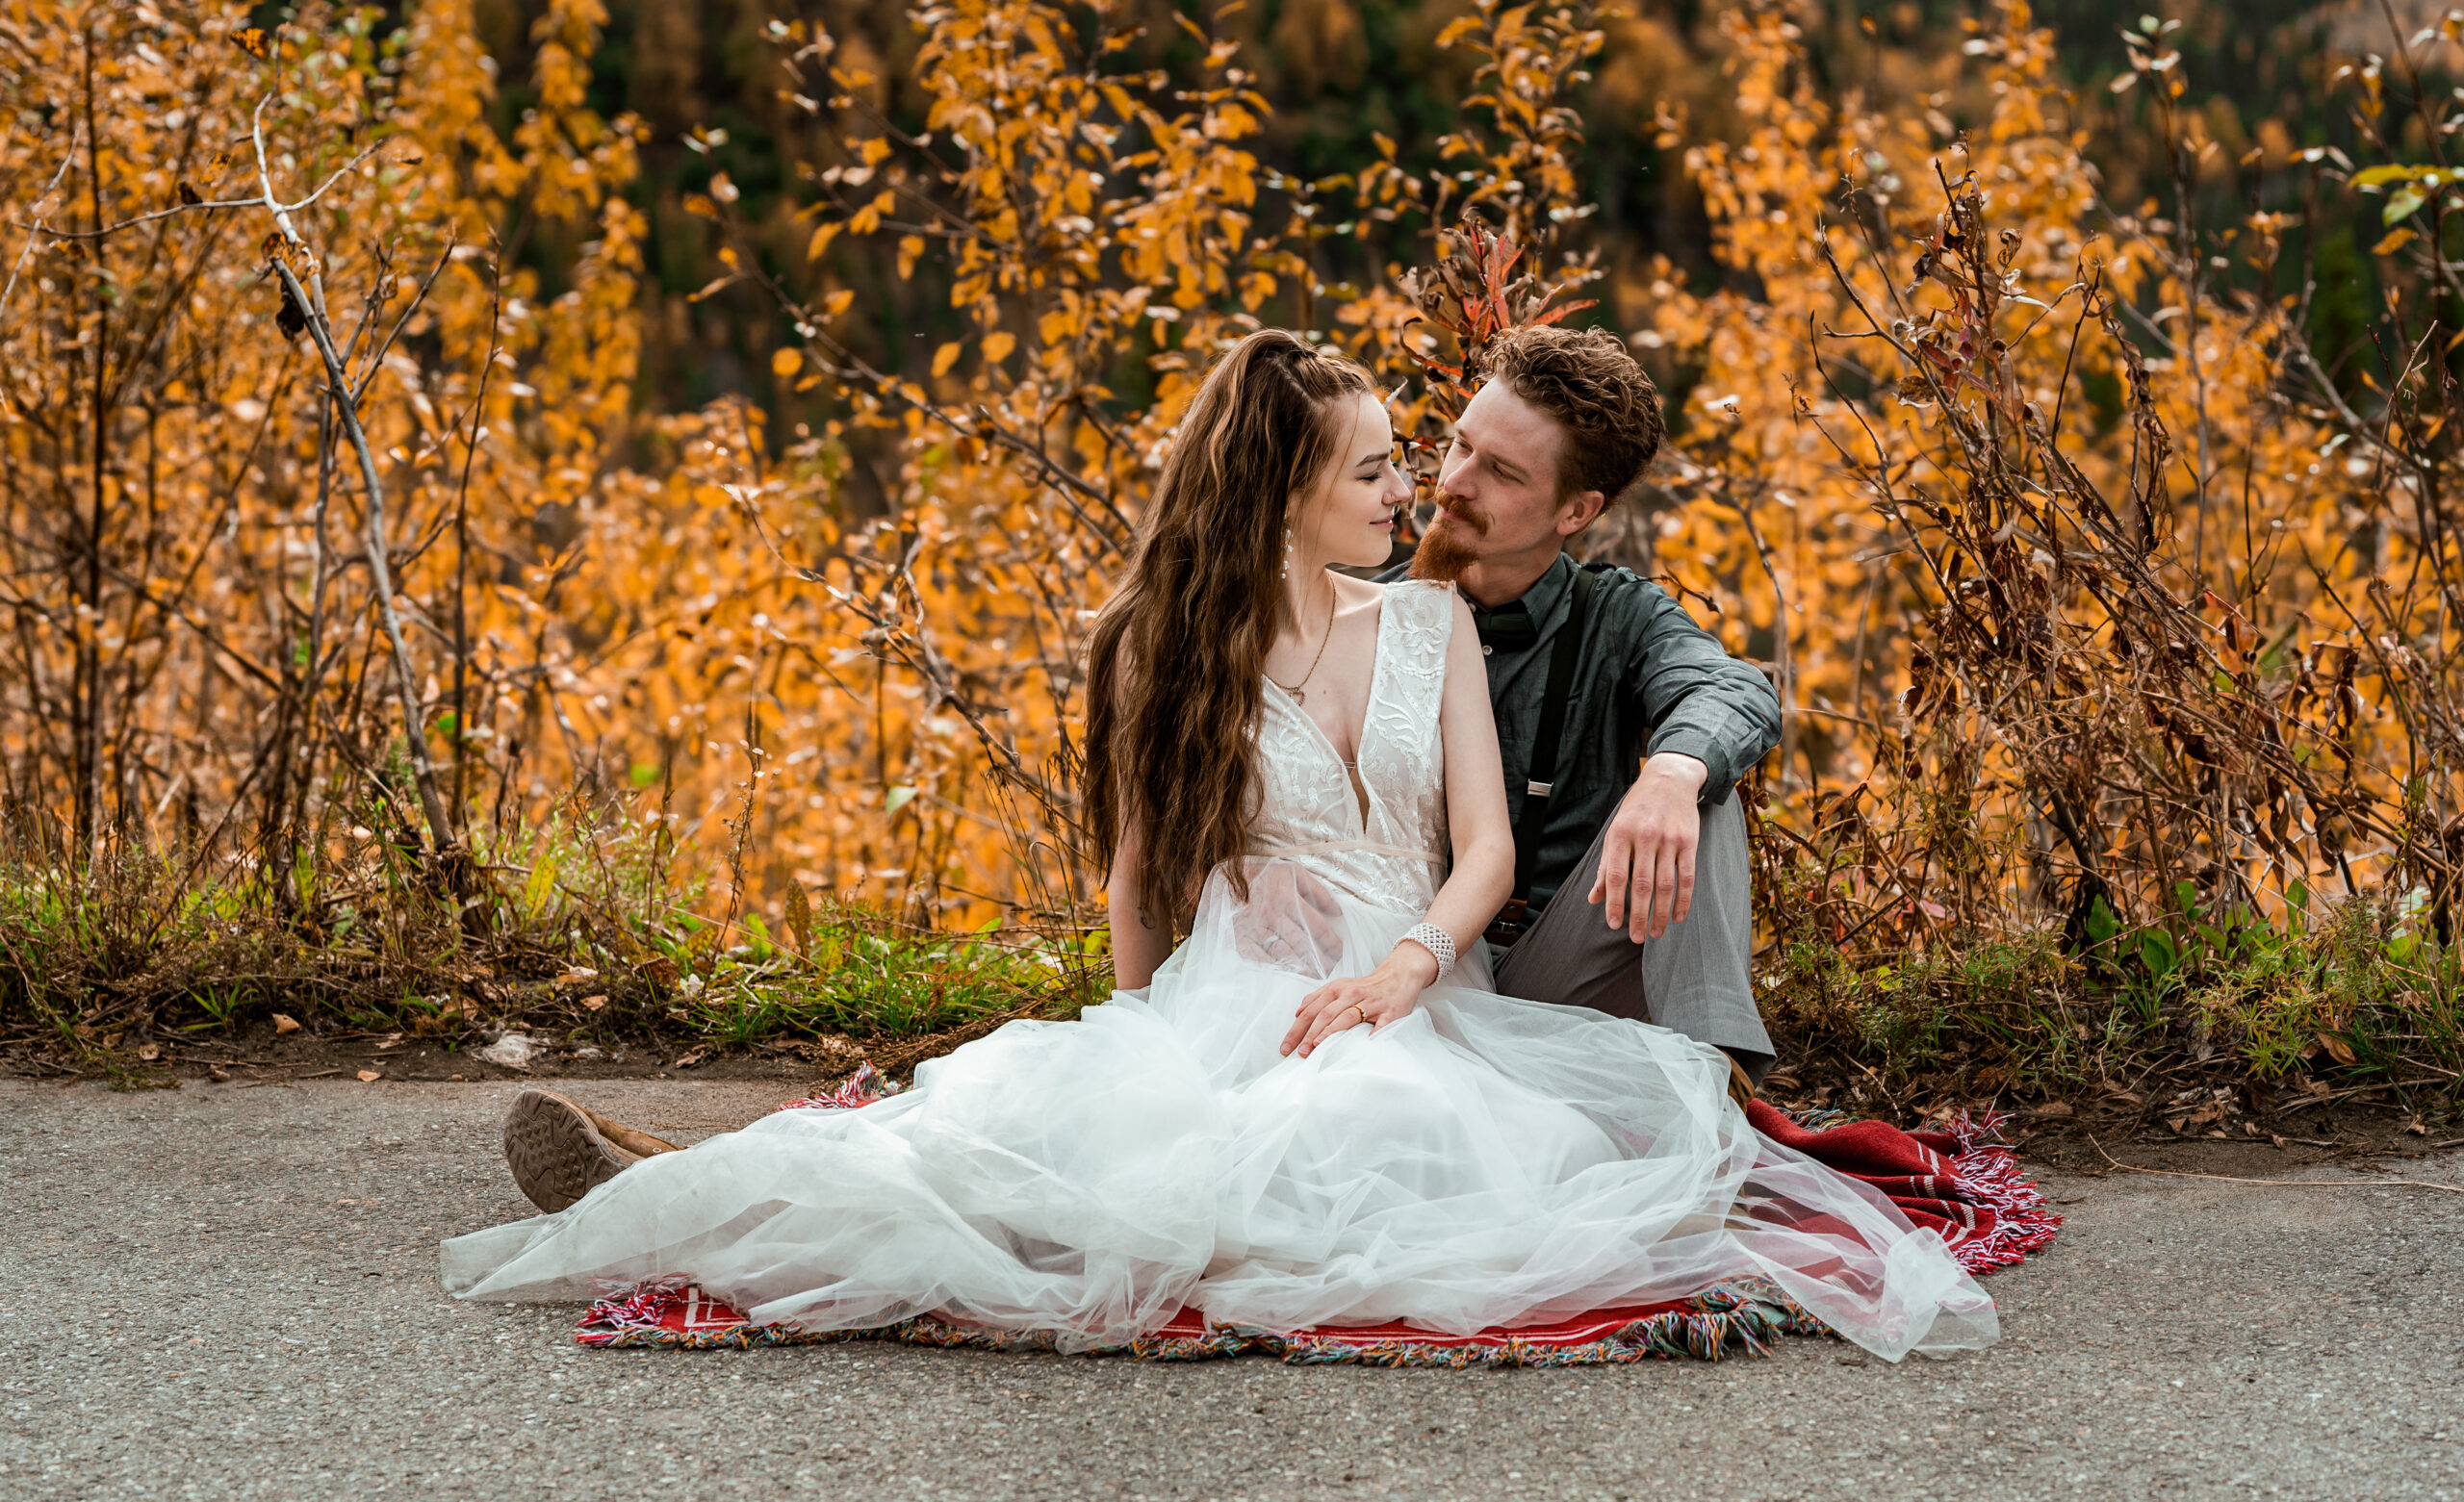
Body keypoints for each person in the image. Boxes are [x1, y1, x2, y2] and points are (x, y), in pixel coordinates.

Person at [442, 330, 1995, 1362]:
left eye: (1466, 468)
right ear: (1291, 488)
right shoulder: (1165, 642)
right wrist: (1144, 1030)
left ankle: (756, 1171)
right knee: (1100, 1142)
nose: (1429, 488)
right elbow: (1138, 876)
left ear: (1572, 509)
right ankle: (707, 1183)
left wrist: (1414, 954)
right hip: (1256, 976)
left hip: (1444, 974)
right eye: (1402, 460)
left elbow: (1503, 849)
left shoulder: (1490, 619)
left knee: (1376, 1159)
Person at [1390, 325, 1781, 1101]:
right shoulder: (1361, 593)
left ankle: (1710, 1095)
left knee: (1700, 792)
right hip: (1389, 973)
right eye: (1460, 445)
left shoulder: (1616, 617)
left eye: (1499, 471)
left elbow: (1735, 688)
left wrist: (1669, 774)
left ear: (1576, 510)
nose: (1453, 483)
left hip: (1545, 980)